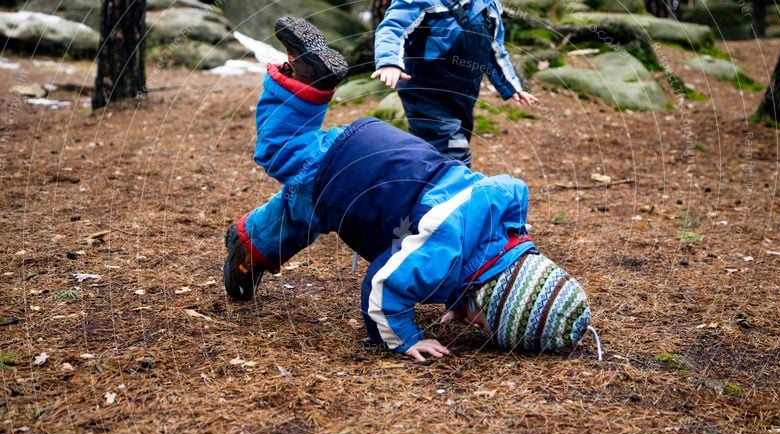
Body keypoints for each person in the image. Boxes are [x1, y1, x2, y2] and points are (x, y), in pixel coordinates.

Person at [224, 17, 594, 362]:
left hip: (389, 151)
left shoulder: (499, 220)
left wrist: (463, 301)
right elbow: (384, 286)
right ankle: (307, 82)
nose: (478, 327)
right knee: (283, 151)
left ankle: (248, 244)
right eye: (487, 322)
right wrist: (404, 338)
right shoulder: (443, 252)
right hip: (353, 179)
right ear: (497, 300)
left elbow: (496, 228)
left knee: (302, 208)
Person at [372, 0, 538, 166]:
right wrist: (389, 62)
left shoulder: (489, 6)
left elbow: (495, 51)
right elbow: (393, 28)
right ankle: (455, 187)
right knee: (453, 149)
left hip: (463, 94)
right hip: (426, 93)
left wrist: (512, 86)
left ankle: (417, 180)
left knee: (448, 144)